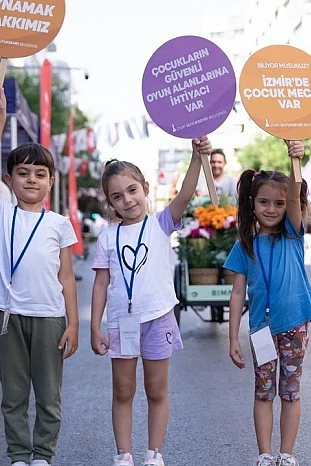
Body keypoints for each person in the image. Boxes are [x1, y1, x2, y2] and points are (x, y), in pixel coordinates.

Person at [90, 136, 211, 466]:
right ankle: (123, 455)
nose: (127, 200)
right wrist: (95, 327)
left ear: (144, 187)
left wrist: (197, 158)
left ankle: (154, 454)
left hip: (158, 318)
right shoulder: (108, 237)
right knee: (123, 391)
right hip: (122, 322)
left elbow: (184, 193)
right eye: (117, 196)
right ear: (110, 202)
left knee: (157, 391)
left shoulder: (161, 224)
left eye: (132, 190)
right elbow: (101, 283)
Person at [0, 90, 80, 466]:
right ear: (10, 179)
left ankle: (43, 454)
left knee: (49, 396)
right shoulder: (3, 211)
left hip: (49, 318)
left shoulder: (59, 224)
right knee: (13, 394)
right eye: (22, 173)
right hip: (9, 315)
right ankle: (19, 455)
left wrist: (73, 323)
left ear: (51, 182)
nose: (31, 180)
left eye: (40, 174)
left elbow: (68, 278)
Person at [224, 141, 311, 466]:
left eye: (278, 203)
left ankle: (287, 454)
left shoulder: (293, 233)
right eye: (264, 202)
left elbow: (294, 195)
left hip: (294, 323)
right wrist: (232, 335)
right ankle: (265, 454)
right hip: (261, 330)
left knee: (290, 391)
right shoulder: (244, 246)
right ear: (252, 204)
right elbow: (237, 294)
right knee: (263, 392)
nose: (271, 208)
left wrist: (296, 160)